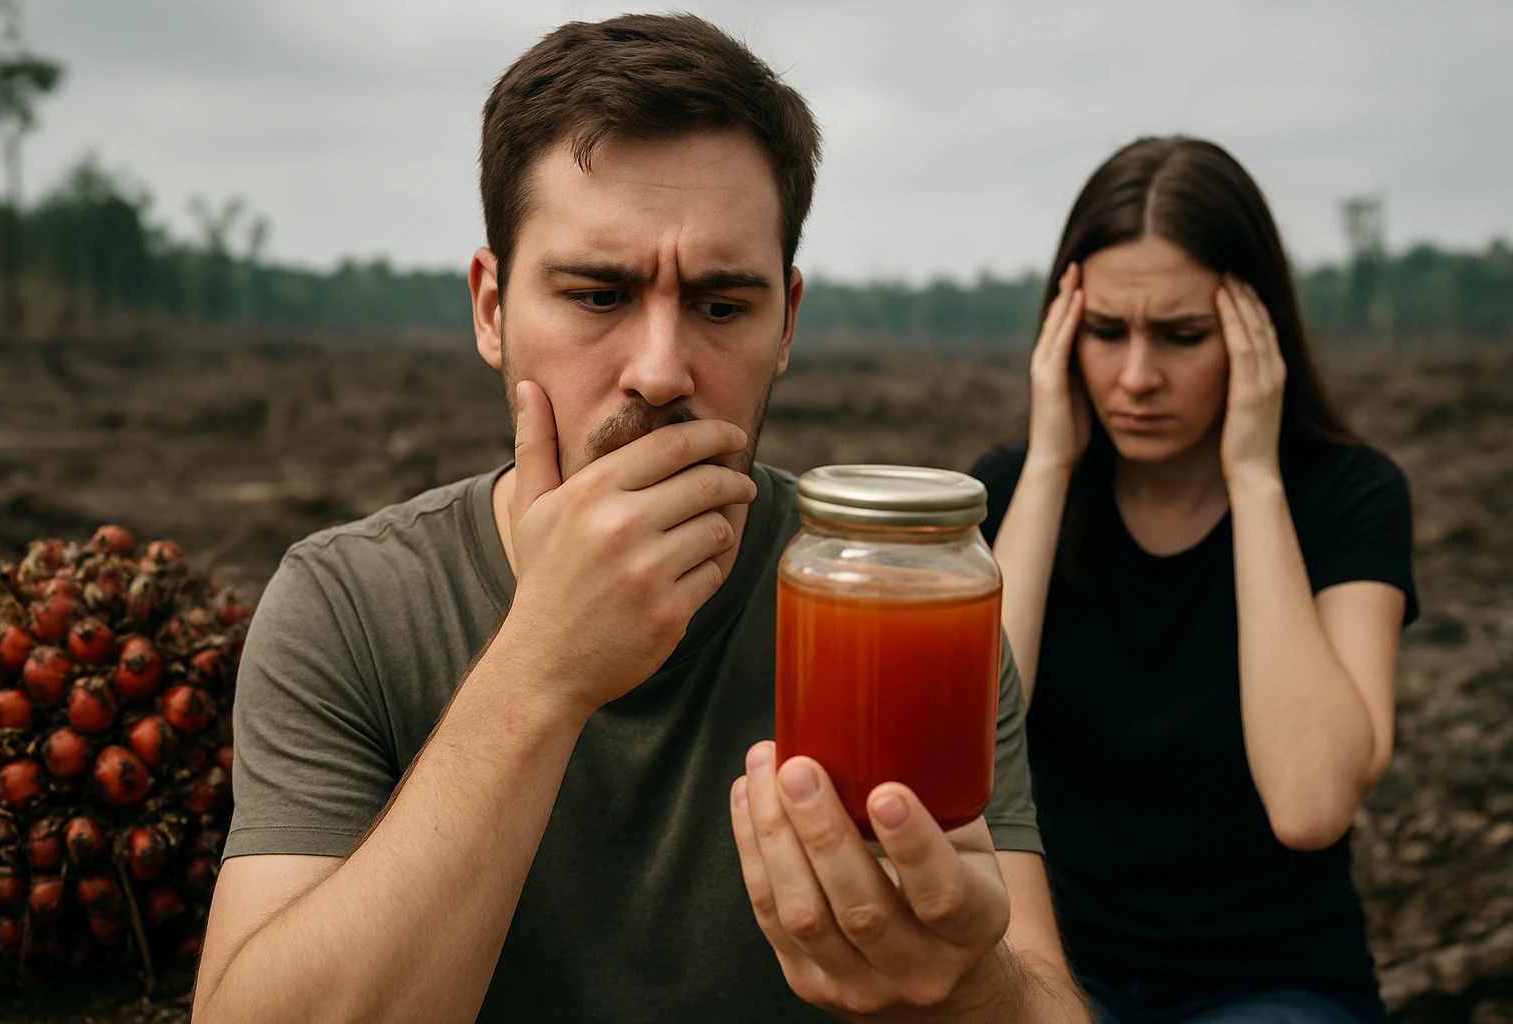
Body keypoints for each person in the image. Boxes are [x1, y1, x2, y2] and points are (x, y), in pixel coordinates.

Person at [191, 14, 1090, 1024]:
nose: (661, 370)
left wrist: (970, 986)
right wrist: (541, 667)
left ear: (787, 321)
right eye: (599, 293)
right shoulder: (349, 605)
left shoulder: (904, 597)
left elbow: (1043, 994)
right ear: (491, 308)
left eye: (720, 306)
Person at [968, 135, 1418, 1024]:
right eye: (1105, 332)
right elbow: (966, 745)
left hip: (1275, 989)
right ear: (1064, 332)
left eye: (1181, 336)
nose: (1136, 377)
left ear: (1257, 333)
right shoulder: (1019, 489)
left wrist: (1254, 475)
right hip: (1055, 979)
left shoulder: (1350, 496)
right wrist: (1051, 460)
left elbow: (1311, 803)